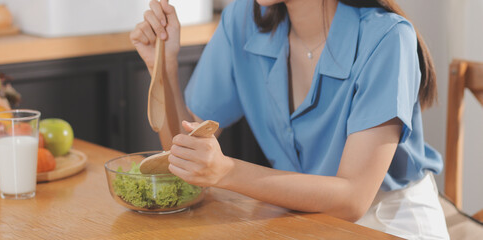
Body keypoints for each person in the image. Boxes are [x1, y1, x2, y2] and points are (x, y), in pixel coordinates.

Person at [130, 0, 449, 239]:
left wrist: (226, 171)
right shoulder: (242, 21)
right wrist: (165, 68)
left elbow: (354, 199)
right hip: (303, 219)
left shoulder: (388, 38)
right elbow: (185, 153)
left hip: (388, 222)